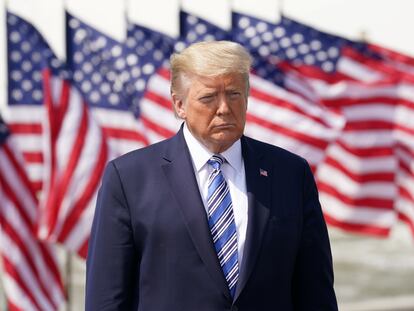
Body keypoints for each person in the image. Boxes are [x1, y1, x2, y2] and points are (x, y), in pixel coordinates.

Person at [85, 40, 338, 311]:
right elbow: (106, 298)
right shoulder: (128, 178)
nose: (224, 108)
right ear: (179, 104)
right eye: (208, 98)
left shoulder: (290, 173)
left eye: (234, 94)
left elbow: (316, 292)